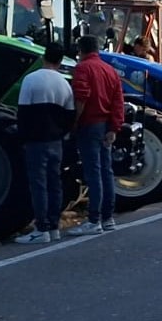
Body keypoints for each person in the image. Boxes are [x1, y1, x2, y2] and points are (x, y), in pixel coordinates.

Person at [14, 44, 75, 244]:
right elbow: (69, 115)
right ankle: (54, 226)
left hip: (35, 140)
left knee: (38, 185)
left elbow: (22, 113)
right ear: (60, 61)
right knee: (54, 184)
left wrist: (23, 138)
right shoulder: (65, 84)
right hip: (55, 141)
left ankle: (41, 228)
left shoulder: (31, 80)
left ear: (44, 57)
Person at [68, 34, 126, 235]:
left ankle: (94, 220)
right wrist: (114, 128)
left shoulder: (83, 68)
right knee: (106, 171)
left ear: (81, 50)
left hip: (89, 125)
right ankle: (108, 217)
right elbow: (118, 102)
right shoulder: (110, 70)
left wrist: (74, 122)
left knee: (93, 173)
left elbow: (81, 97)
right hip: (105, 126)